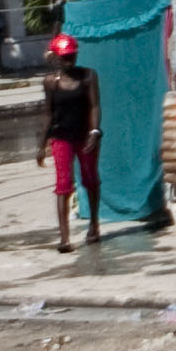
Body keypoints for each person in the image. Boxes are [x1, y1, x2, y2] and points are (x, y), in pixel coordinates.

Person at [37, 31, 99, 253]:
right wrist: (41, 146)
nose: (69, 61)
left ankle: (94, 225)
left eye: (71, 56)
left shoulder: (88, 76)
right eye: (64, 57)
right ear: (55, 58)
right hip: (61, 137)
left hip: (85, 135)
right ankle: (64, 238)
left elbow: (94, 106)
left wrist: (94, 131)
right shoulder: (50, 83)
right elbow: (48, 114)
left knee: (90, 179)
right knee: (63, 185)